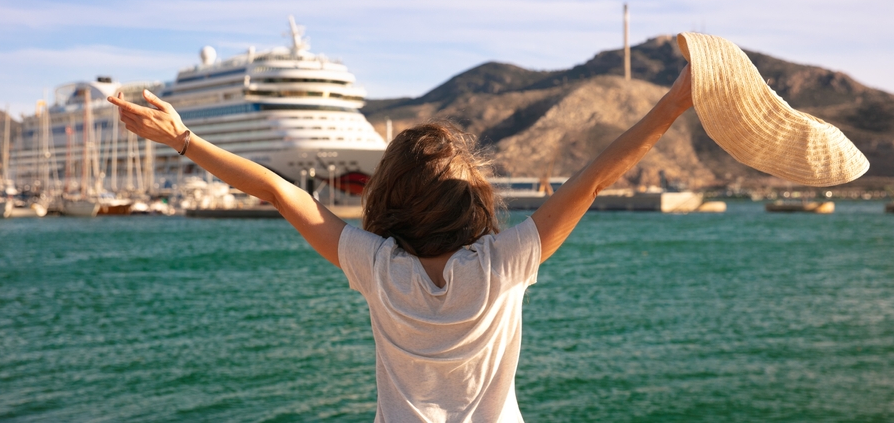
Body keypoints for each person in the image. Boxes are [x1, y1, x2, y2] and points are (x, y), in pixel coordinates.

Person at [108, 64, 693, 422]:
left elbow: (280, 192)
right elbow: (591, 181)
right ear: (477, 203)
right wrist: (673, 103)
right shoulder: (504, 264)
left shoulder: (376, 266)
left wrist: (183, 139)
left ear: (387, 197)